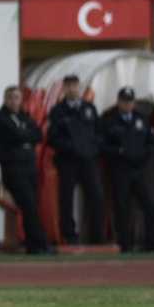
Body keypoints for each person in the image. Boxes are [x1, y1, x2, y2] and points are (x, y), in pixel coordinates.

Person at [0, 85, 52, 255]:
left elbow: (38, 135)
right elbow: (15, 135)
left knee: (33, 205)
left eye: (17, 97)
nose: (14, 100)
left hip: (29, 167)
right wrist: (25, 135)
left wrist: (23, 135)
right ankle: (41, 243)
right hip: (13, 168)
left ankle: (34, 245)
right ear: (5, 98)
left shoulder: (25, 116)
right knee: (28, 204)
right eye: (11, 97)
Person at [46, 73, 106, 245]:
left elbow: (98, 132)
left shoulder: (89, 109)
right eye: (69, 85)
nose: (72, 89)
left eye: (75, 85)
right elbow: (52, 138)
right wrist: (71, 147)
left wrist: (94, 148)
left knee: (98, 197)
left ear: (80, 87)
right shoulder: (58, 111)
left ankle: (96, 237)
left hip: (88, 161)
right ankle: (70, 236)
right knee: (67, 200)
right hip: (68, 162)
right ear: (64, 89)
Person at [100, 86, 154, 253]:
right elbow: (102, 145)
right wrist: (120, 152)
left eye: (130, 101)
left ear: (134, 102)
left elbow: (152, 142)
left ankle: (152, 244)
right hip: (120, 170)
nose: (127, 104)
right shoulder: (109, 122)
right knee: (122, 208)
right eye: (124, 101)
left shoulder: (142, 120)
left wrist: (143, 154)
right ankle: (125, 245)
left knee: (150, 205)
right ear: (118, 102)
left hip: (139, 170)